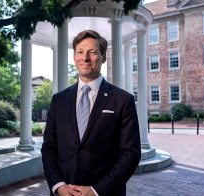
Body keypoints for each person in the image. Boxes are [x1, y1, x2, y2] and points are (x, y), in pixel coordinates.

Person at [41, 30, 141, 196]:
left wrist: (96, 191)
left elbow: (130, 153)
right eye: (80, 52)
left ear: (103, 56)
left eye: (92, 52)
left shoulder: (122, 100)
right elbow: (49, 147)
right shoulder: (59, 100)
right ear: (74, 56)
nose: (85, 58)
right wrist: (58, 185)